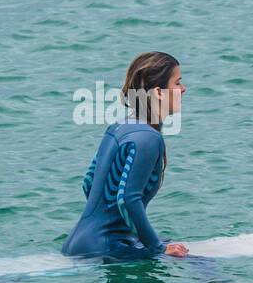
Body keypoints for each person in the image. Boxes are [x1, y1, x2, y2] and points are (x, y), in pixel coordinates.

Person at [62, 52, 189, 261]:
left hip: (79, 241)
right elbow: (127, 199)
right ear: (159, 92)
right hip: (105, 248)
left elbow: (89, 183)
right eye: (177, 83)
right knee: (200, 264)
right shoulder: (149, 138)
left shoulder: (120, 125)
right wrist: (157, 247)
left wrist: (124, 232)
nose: (183, 89)